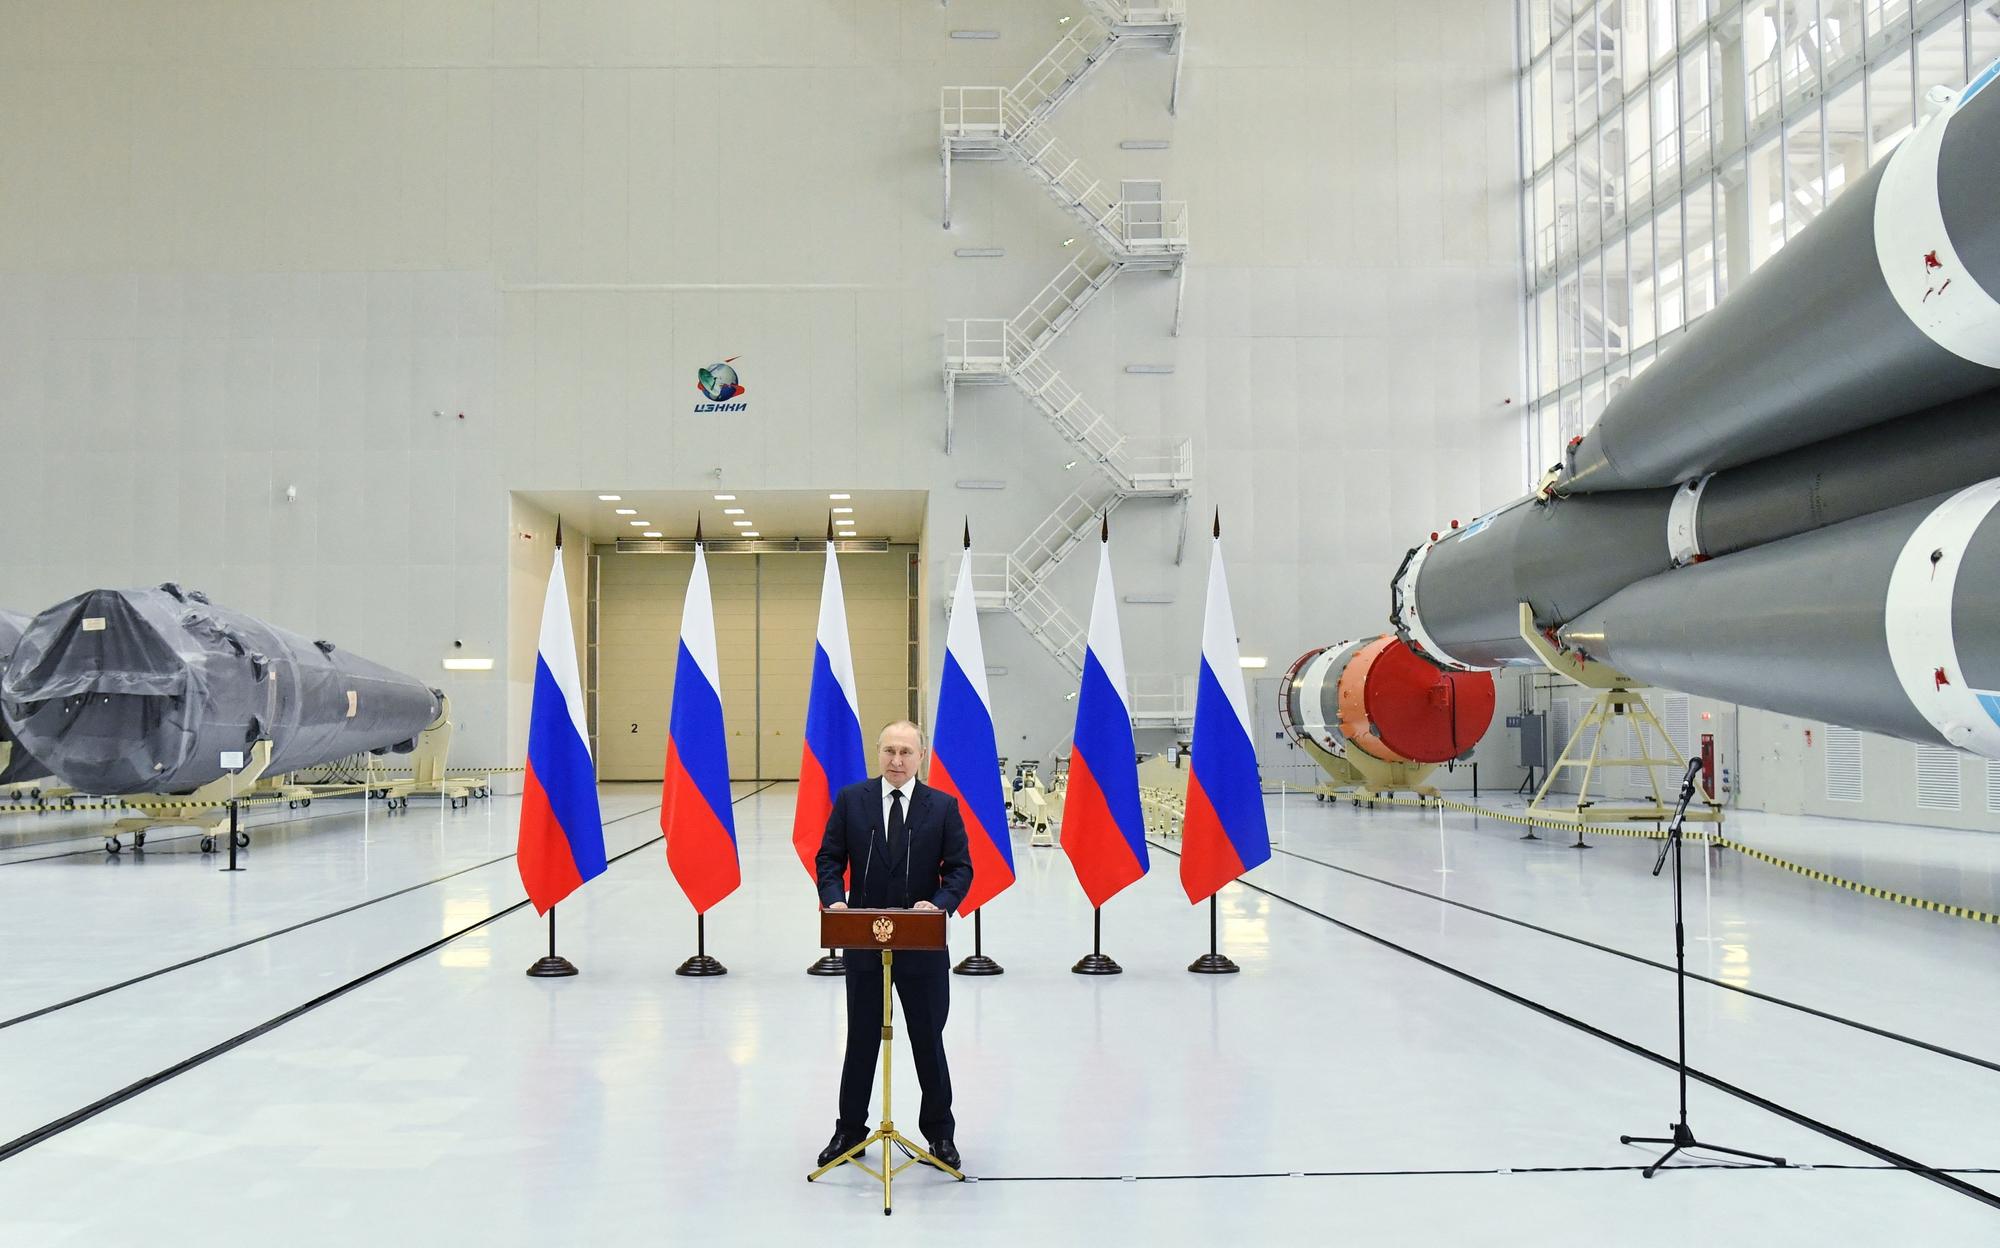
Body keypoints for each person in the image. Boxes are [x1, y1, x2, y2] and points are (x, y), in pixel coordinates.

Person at [814, 720, 973, 1173]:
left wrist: (938, 905)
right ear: (877, 753)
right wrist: (834, 900)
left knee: (928, 1039)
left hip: (921, 944)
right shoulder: (851, 801)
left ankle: (940, 1134)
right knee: (861, 1038)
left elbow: (960, 869)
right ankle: (850, 1130)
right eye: (889, 751)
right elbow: (829, 858)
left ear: (921, 756)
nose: (897, 760)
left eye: (906, 752)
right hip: (863, 939)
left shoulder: (942, 807)